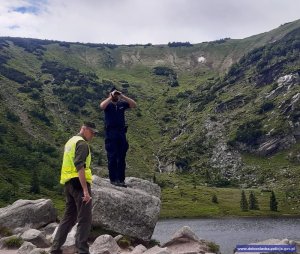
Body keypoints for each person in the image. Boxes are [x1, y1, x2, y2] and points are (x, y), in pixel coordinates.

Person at [50, 122, 98, 254]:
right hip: (79, 184)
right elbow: (79, 165)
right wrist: (85, 190)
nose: (93, 135)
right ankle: (82, 250)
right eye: (92, 132)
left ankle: (55, 249)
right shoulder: (82, 144)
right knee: (85, 219)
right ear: (84, 129)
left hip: (68, 184)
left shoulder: (70, 141)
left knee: (68, 218)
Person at [100, 87, 136, 187]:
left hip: (121, 133)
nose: (115, 96)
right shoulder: (108, 105)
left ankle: (121, 179)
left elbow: (133, 105)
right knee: (112, 156)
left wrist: (122, 96)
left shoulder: (122, 104)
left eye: (116, 94)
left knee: (121, 157)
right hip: (111, 133)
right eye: (114, 94)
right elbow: (102, 106)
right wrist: (110, 97)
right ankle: (113, 179)